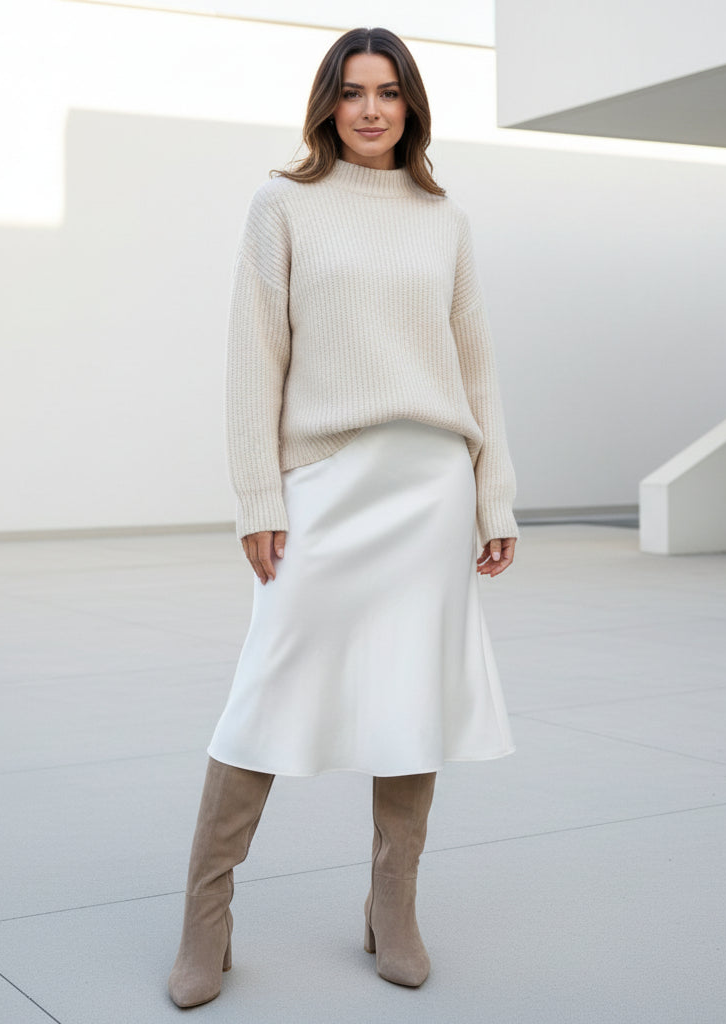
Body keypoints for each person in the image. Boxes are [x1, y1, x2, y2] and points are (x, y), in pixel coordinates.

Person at [167, 26, 519, 1009]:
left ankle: (392, 905)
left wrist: (494, 493)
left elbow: (476, 363)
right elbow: (255, 357)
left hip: (430, 486)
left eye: (389, 91)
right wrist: (258, 495)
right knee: (267, 689)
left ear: (411, 106)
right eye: (353, 91)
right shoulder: (281, 205)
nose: (371, 108)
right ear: (327, 103)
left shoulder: (442, 217)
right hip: (326, 475)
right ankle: (206, 915)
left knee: (412, 696)